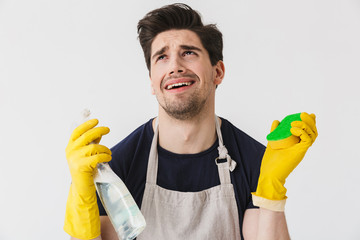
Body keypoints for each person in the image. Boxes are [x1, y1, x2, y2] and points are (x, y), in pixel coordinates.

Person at [64, 3, 318, 240]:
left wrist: (271, 188)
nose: (175, 66)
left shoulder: (253, 162)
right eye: (161, 57)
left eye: (188, 53)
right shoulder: (117, 167)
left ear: (217, 72)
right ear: (152, 81)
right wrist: (81, 201)